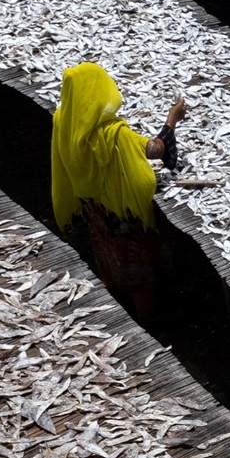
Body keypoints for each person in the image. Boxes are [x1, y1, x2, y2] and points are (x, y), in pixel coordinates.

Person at [49, 61, 186, 318]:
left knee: (108, 258)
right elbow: (155, 149)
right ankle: (148, 322)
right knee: (139, 276)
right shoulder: (113, 134)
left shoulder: (62, 121)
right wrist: (172, 120)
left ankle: (116, 300)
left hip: (92, 208)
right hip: (121, 215)